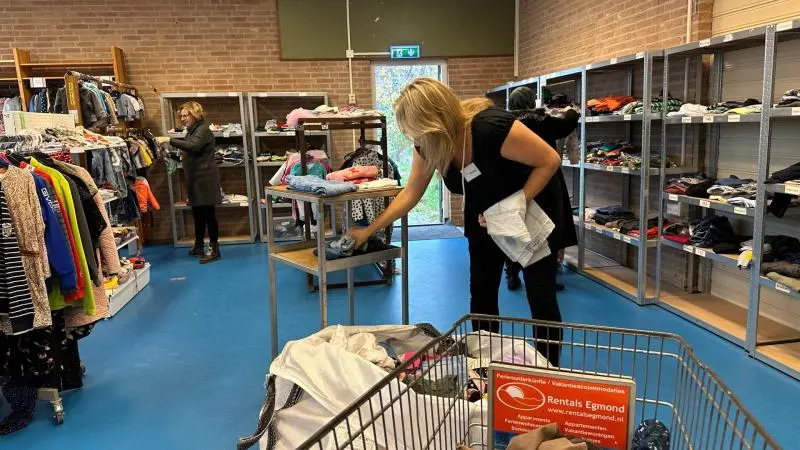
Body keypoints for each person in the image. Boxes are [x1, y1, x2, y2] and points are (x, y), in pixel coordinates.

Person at [348, 78, 565, 366]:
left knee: (541, 296)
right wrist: (368, 231)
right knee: (482, 293)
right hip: (484, 214)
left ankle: (550, 373)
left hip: (532, 206)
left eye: (418, 132)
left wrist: (516, 204)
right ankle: (485, 368)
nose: (415, 142)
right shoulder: (428, 145)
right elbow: (411, 194)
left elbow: (550, 160)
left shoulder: (490, 128)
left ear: (434, 122)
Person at [504, 86, 579, 293]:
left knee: (516, 228)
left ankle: (512, 271)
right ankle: (546, 276)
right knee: (548, 229)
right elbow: (567, 124)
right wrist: (572, 109)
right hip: (545, 181)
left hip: (516, 182)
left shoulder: (507, 124)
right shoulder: (541, 121)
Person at [157, 101, 221, 263]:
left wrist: (169, 140)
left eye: (186, 115)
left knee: (208, 215)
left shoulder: (203, 130)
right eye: (181, 116)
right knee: (198, 214)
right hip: (195, 179)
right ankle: (199, 245)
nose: (183, 119)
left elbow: (194, 146)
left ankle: (214, 249)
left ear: (195, 115)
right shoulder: (192, 131)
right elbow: (188, 152)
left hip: (205, 179)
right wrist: (170, 154)